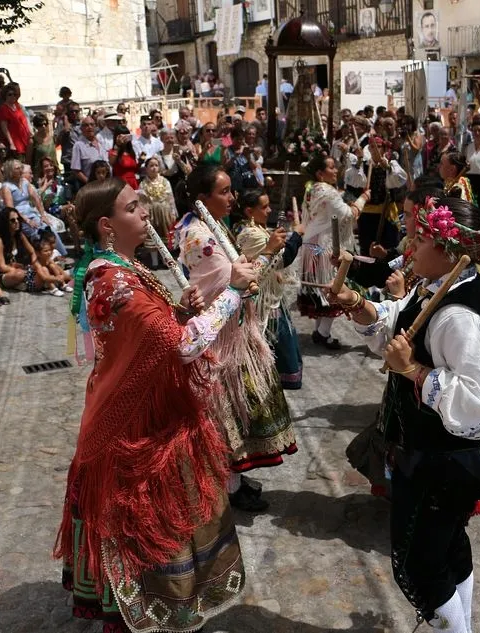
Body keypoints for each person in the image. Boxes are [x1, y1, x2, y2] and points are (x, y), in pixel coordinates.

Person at [55, 177, 252, 633]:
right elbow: (183, 346)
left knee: (172, 516)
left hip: (149, 409)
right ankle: (140, 609)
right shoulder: (111, 280)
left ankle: (169, 604)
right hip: (132, 426)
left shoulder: (124, 268)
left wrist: (181, 309)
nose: (145, 213)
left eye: (143, 205)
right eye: (132, 208)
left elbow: (157, 335)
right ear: (107, 225)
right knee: (145, 520)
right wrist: (232, 294)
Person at [326, 195, 480, 633]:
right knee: (447, 551)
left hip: (446, 460)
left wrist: (413, 370)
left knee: (422, 563)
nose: (410, 245)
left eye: (422, 238)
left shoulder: (457, 315)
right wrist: (357, 303)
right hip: (432, 452)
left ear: (449, 250)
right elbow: (399, 324)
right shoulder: (435, 287)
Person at [176, 164, 298, 511]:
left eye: (231, 190)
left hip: (232, 330)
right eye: (224, 191)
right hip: (222, 338)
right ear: (202, 197)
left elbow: (237, 274)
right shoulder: (201, 236)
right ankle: (230, 488)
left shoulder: (209, 228)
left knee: (237, 411)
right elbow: (236, 281)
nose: (231, 197)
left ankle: (234, 481)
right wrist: (269, 253)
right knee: (228, 413)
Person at [297, 154, 369, 348]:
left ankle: (320, 331)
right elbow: (347, 215)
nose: (336, 170)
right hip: (325, 247)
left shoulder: (311, 189)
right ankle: (323, 333)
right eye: (331, 167)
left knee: (322, 291)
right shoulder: (327, 192)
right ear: (321, 173)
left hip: (312, 244)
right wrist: (363, 199)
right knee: (332, 289)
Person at [235, 188, 304, 389]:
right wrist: (297, 235)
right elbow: (282, 259)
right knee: (274, 348)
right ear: (249, 211)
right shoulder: (253, 235)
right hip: (264, 303)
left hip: (270, 298)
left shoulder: (254, 229)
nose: (268, 210)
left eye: (269, 205)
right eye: (263, 207)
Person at [2, 158, 67, 255]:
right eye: (17, 168)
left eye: (21, 168)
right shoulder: (7, 186)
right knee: (37, 233)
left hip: (31, 213)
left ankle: (61, 254)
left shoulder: (24, 181)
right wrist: (27, 220)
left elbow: (36, 198)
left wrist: (43, 215)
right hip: (19, 217)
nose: (20, 170)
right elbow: (11, 209)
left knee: (49, 229)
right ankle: (46, 257)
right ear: (10, 171)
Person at [138, 155, 175, 266]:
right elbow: (141, 201)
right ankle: (154, 262)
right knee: (153, 235)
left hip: (164, 211)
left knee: (164, 234)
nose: (154, 168)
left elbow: (170, 198)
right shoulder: (143, 183)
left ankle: (165, 260)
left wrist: (172, 212)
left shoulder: (165, 182)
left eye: (156, 165)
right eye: (151, 166)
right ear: (146, 168)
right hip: (151, 212)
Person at [0, 83, 31, 159]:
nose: (13, 96)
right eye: (10, 94)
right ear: (5, 95)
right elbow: (4, 128)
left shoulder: (17, 106)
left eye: (14, 94)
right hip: (15, 143)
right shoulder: (3, 108)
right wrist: (11, 143)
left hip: (25, 140)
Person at [109, 125, 140, 190]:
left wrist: (140, 162)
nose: (125, 138)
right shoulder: (114, 151)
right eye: (123, 136)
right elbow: (111, 162)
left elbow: (134, 170)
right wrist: (118, 145)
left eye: (127, 135)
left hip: (133, 182)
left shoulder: (131, 151)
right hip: (121, 183)